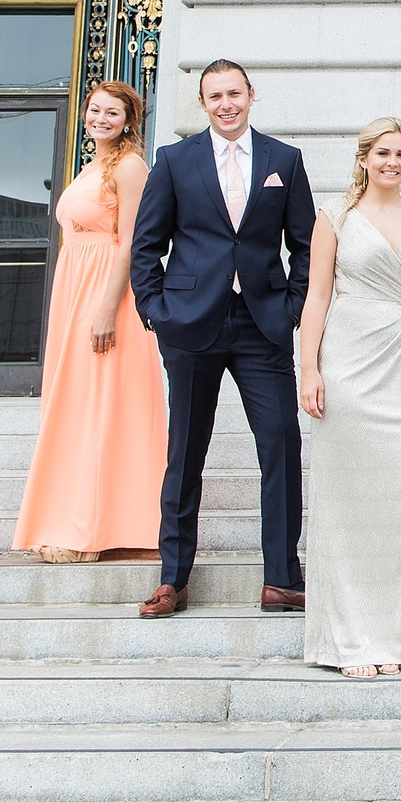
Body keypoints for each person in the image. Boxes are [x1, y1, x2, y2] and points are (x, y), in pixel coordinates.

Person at [128, 59, 314, 618]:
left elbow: (305, 244)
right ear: (202, 103)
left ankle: (282, 578)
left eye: (235, 93)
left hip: (262, 326)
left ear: (252, 95)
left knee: (281, 444)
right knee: (184, 453)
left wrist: (292, 308)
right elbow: (146, 246)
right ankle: (172, 577)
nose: (226, 103)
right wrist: (158, 313)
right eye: (215, 96)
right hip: (190, 325)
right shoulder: (174, 161)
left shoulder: (285, 160)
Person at [299, 117, 401, 677]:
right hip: (347, 367)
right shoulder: (334, 219)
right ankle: (346, 641)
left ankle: (389, 639)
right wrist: (309, 370)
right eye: (384, 153)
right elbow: (316, 298)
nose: (393, 162)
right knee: (344, 510)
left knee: (396, 509)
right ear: (364, 158)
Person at [13, 80, 168, 564]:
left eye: (113, 113)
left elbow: (130, 242)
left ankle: (91, 529)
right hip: (74, 288)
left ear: (128, 121)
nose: (101, 118)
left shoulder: (129, 167)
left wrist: (107, 307)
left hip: (107, 294)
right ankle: (70, 515)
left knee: (101, 404)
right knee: (76, 403)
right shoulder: (90, 167)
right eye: (95, 109)